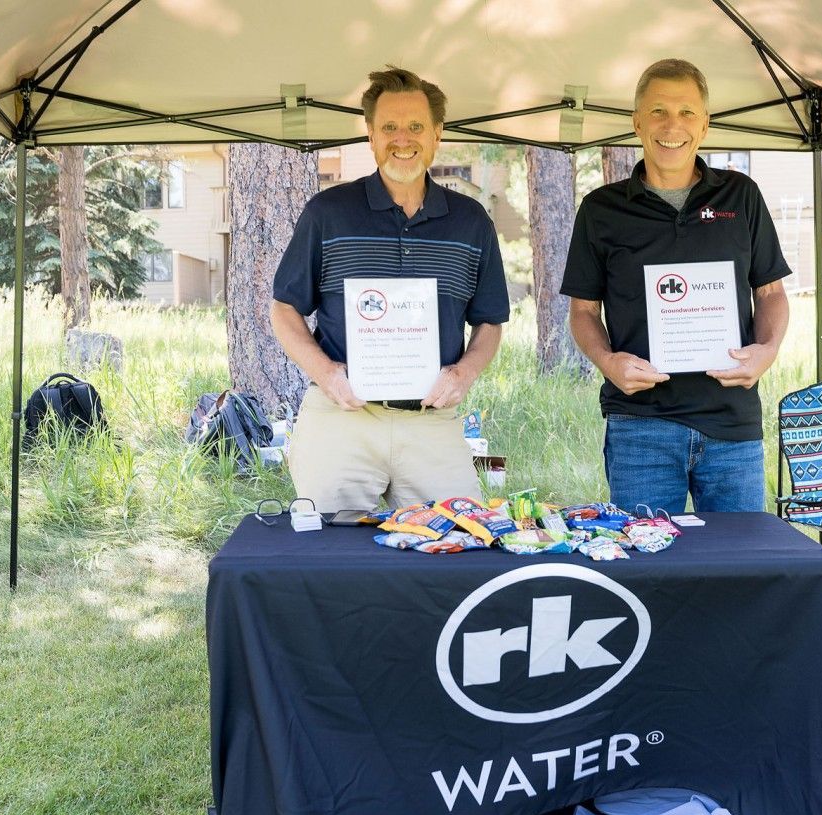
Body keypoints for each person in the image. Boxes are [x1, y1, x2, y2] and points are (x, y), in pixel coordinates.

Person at [271, 65, 509, 513]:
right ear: (371, 135)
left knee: (459, 545)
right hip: (343, 416)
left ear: (438, 134)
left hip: (431, 420)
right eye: (390, 127)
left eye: (416, 126)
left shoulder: (471, 221)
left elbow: (490, 321)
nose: (403, 138)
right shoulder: (328, 212)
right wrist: (326, 375)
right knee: (330, 554)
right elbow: (284, 308)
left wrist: (464, 374)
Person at [561, 59, 790, 515]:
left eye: (686, 113)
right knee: (647, 571)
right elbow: (583, 311)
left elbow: (771, 293)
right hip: (641, 426)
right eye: (658, 111)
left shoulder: (741, 196)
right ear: (637, 121)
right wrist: (607, 362)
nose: (672, 126)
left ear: (704, 124)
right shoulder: (600, 209)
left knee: (738, 569)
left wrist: (767, 351)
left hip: (731, 423)